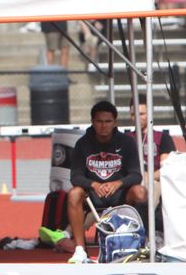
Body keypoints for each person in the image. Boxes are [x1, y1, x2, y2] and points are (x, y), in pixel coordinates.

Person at [66, 101, 146, 264]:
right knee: (74, 193)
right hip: (93, 197)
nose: (104, 126)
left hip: (121, 195)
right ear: (93, 122)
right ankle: (80, 250)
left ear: (115, 122)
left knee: (140, 192)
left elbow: (136, 175)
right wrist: (94, 184)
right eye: (99, 121)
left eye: (108, 121)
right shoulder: (82, 144)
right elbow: (75, 177)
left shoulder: (127, 142)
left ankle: (143, 243)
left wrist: (117, 183)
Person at [127, 96, 176, 207]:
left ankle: (147, 221)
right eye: (133, 115)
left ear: (150, 113)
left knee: (151, 188)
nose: (137, 118)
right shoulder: (126, 139)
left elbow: (165, 169)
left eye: (141, 114)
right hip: (133, 180)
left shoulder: (162, 137)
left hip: (154, 179)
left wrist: (147, 177)